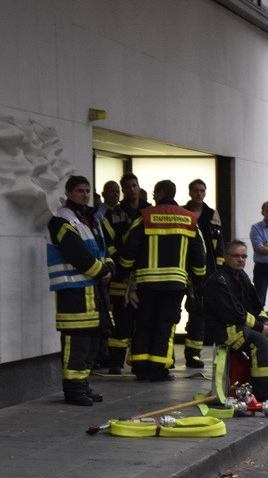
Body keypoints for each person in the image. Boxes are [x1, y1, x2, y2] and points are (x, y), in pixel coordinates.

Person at [118, 180, 207, 382]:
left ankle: (140, 367)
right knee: (165, 326)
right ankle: (158, 369)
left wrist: (123, 272)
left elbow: (129, 248)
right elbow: (199, 255)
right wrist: (199, 279)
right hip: (174, 285)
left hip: (146, 284)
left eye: (153, 192)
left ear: (160, 193)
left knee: (143, 323)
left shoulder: (144, 217)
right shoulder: (189, 220)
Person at [203, 240, 268, 406]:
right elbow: (235, 314)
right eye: (236, 256)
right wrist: (260, 328)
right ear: (226, 257)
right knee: (261, 342)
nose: (241, 260)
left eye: (244, 256)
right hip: (224, 329)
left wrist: (265, 322)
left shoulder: (242, 277)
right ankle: (263, 396)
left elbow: (256, 306)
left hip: (242, 326)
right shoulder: (220, 280)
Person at [45, 176, 114, 406]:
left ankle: (83, 385)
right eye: (80, 191)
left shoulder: (89, 220)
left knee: (90, 346)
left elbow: (105, 250)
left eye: (87, 190)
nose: (85, 195)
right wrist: (102, 272)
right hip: (73, 294)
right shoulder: (60, 221)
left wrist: (109, 268)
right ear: (68, 193)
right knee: (76, 345)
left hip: (92, 293)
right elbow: (78, 254)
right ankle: (73, 390)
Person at [102, 173, 151, 374]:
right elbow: (108, 244)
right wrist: (121, 267)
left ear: (139, 187)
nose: (132, 189)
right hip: (121, 278)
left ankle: (138, 362)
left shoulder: (150, 212)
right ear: (123, 190)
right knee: (120, 322)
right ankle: (116, 362)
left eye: (134, 185)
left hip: (146, 276)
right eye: (128, 187)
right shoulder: (113, 214)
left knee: (142, 321)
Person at [182, 178, 224, 368]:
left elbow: (218, 243)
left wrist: (218, 269)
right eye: (196, 190)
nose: (199, 193)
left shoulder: (211, 214)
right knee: (178, 311)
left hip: (206, 271)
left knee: (198, 311)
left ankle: (193, 354)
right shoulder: (182, 213)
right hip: (183, 269)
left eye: (202, 190)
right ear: (190, 193)